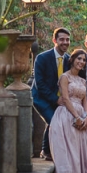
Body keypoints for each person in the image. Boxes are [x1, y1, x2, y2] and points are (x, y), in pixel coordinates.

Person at [31, 28, 71, 161]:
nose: (65, 42)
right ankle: (47, 150)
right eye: (62, 39)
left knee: (55, 121)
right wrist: (55, 99)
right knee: (54, 121)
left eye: (67, 40)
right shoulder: (42, 58)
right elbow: (40, 84)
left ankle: (46, 150)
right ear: (55, 40)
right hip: (41, 98)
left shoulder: (69, 60)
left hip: (60, 98)